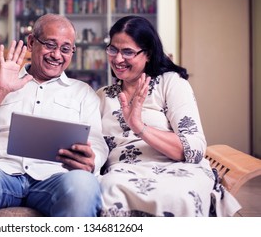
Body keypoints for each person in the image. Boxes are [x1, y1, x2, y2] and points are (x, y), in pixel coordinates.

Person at [0, 14, 108, 217]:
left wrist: (91, 160)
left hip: (57, 177)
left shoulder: (83, 93)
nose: (57, 55)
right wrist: (0, 90)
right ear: (32, 42)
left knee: (83, 185)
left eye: (65, 49)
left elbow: (96, 144)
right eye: (50, 45)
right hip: (2, 172)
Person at [96, 15, 241, 217]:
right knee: (108, 191)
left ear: (147, 54)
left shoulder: (170, 83)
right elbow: (95, 147)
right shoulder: (103, 96)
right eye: (113, 49)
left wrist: (139, 127)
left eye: (128, 52)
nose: (118, 59)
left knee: (180, 195)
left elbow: (195, 148)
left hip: (177, 169)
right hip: (122, 173)